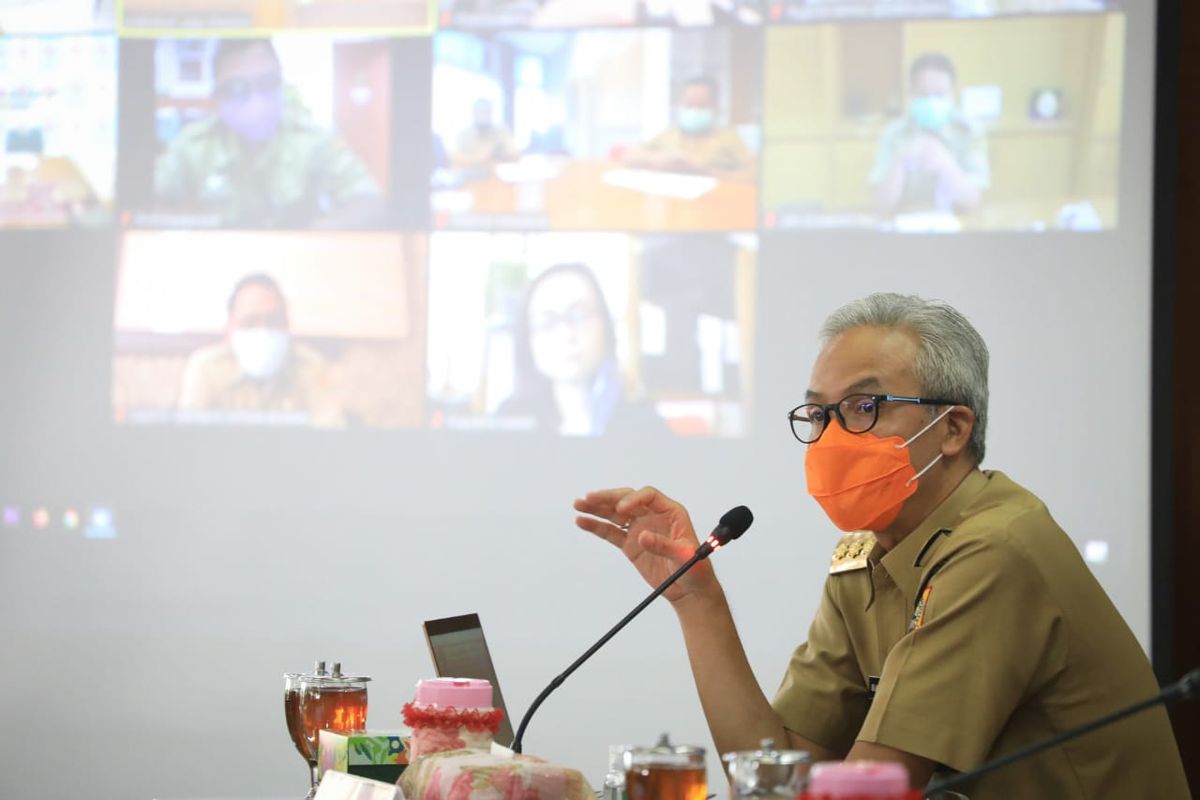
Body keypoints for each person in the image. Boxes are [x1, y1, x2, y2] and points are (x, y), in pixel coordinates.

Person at [574, 293, 1190, 797]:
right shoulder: (867, 555)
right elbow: (777, 773)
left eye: (865, 407)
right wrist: (697, 601)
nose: (832, 438)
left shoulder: (997, 550)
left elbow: (864, 793)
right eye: (819, 415)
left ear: (952, 428)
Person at [155, 38, 384, 228]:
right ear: (218, 98)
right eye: (238, 89)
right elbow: (148, 201)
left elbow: (368, 199)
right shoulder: (192, 145)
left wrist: (316, 235)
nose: (257, 102)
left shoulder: (311, 139)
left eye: (268, 83)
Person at [497, 263, 662, 437]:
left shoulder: (645, 424)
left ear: (605, 326)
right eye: (547, 322)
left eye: (579, 316)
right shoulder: (510, 422)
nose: (567, 335)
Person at [177, 273, 344, 427]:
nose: (263, 331)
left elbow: (330, 437)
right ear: (229, 329)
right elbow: (190, 441)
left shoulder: (313, 367)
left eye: (273, 321)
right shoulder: (205, 367)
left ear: (287, 326)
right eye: (250, 322)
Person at [870, 53, 989, 216]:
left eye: (940, 95)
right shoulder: (894, 134)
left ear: (952, 93)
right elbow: (882, 206)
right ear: (911, 94)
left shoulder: (969, 132)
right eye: (924, 95)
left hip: (957, 228)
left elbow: (971, 200)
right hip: (905, 229)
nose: (932, 102)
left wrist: (946, 164)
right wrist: (900, 160)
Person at [620, 76, 754, 180]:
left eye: (702, 106)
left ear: (715, 107)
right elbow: (628, 156)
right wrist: (659, 159)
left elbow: (755, 175)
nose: (694, 111)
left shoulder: (728, 137)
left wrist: (704, 171)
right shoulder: (670, 134)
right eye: (689, 105)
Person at [451, 98, 519, 170]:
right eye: (480, 112)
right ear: (474, 113)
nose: (483, 115)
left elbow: (514, 155)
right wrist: (479, 160)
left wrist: (501, 156)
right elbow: (455, 158)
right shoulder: (463, 135)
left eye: (486, 112)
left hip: (497, 174)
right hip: (470, 175)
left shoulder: (502, 133)